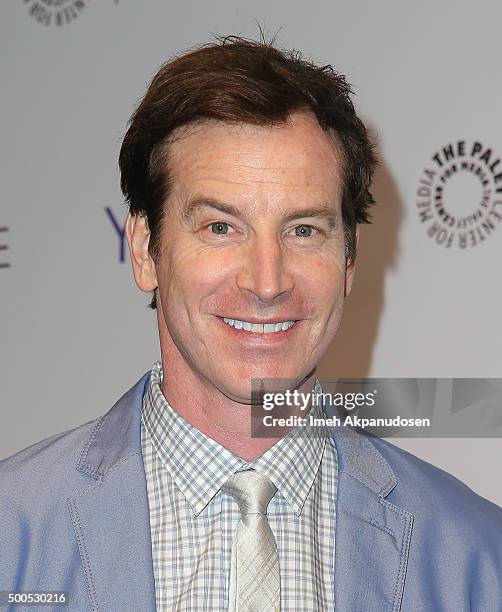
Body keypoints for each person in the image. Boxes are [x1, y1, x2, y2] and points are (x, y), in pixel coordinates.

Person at [1, 35, 502, 612]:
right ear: (143, 249)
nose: (267, 282)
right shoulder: (12, 532)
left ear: (349, 260)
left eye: (304, 230)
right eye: (220, 227)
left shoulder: (477, 560)